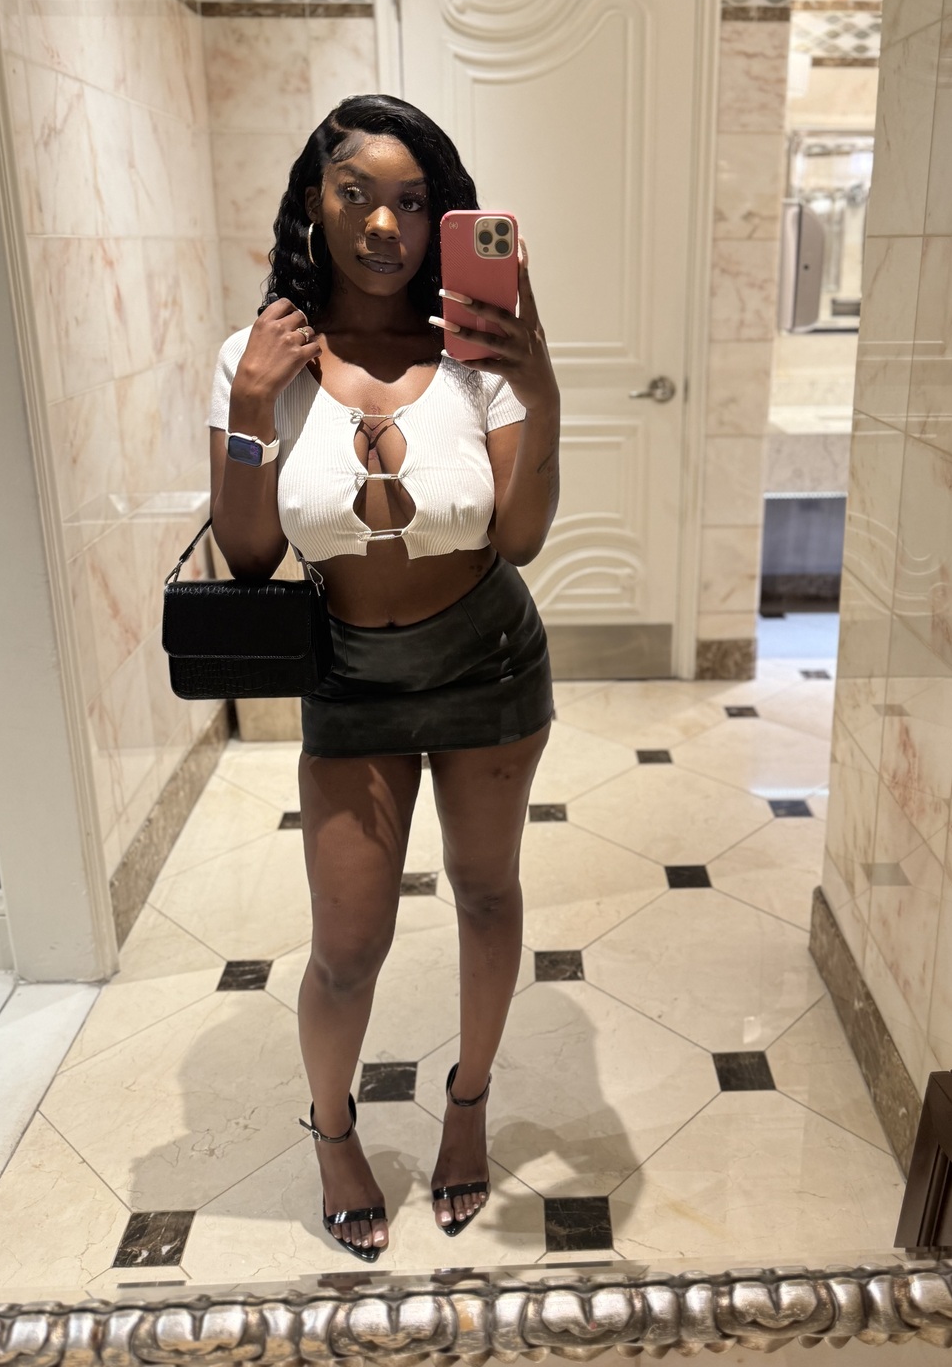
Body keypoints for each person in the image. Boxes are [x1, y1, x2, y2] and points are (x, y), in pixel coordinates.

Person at [206, 95, 559, 1260]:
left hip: (487, 657)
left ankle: (469, 1104)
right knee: (347, 946)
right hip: (349, 675)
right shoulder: (259, 362)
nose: (384, 225)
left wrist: (543, 389)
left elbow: (520, 537)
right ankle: (332, 1128)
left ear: (440, 216)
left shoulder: (476, 352)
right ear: (315, 203)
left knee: (487, 893)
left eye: (413, 201)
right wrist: (251, 405)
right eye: (356, 193)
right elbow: (248, 552)